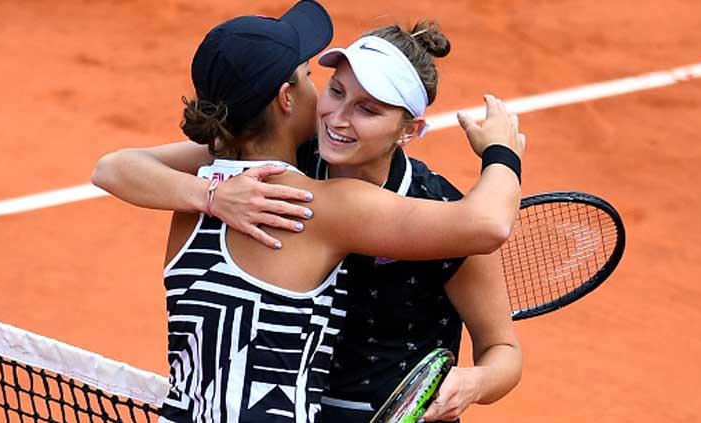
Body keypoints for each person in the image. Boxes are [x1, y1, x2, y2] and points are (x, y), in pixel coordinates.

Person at [92, 4, 524, 422]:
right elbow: (113, 168)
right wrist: (210, 194)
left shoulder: (442, 209)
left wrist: (474, 383)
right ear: (288, 98)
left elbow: (503, 350)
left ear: (409, 130)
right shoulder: (292, 171)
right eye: (335, 90)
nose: (337, 118)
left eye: (367, 109)